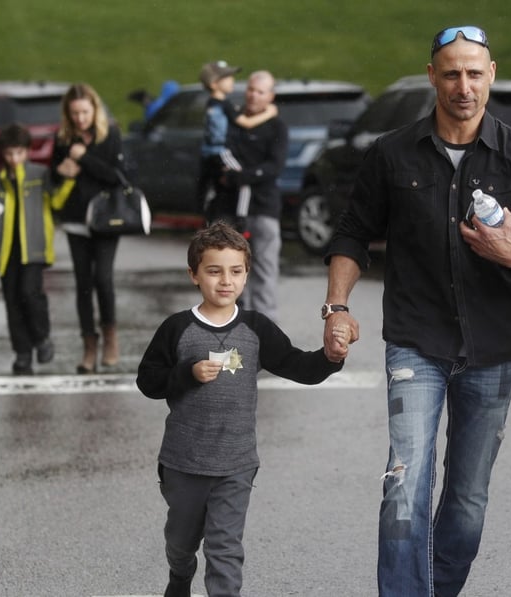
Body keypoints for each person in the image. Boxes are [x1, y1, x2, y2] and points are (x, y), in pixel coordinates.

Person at [320, 25, 511, 596]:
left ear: (491, 76)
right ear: (433, 76)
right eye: (451, 73)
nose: (463, 86)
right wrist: (336, 306)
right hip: (417, 342)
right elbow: (351, 234)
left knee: (465, 500)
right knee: (405, 481)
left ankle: (434, 589)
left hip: (494, 349)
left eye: (474, 73)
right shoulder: (391, 154)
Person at [136, 220, 348, 597]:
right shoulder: (177, 328)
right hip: (183, 463)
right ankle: (180, 576)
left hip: (235, 464)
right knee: (181, 543)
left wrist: (331, 357)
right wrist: (187, 373)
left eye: (235, 271)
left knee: (225, 548)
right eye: (213, 271)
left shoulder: (256, 328)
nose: (225, 281)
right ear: (194, 275)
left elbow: (297, 366)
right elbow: (148, 382)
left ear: (247, 275)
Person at [0, 124, 74, 375]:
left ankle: (42, 339)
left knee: (30, 294)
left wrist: (68, 181)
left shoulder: (39, 175)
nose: (14, 159)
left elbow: (56, 201)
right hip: (6, 254)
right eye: (9, 154)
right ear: (3, 154)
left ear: (27, 152)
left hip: (34, 250)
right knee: (13, 303)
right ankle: (22, 353)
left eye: (19, 153)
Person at [50, 82, 126, 374]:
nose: (80, 118)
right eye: (75, 113)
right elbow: (52, 176)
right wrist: (60, 171)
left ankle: (110, 338)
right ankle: (88, 348)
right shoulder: (63, 138)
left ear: (95, 108)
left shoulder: (110, 134)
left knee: (103, 279)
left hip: (106, 220)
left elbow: (116, 177)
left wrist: (83, 158)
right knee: (83, 284)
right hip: (75, 219)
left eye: (84, 111)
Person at [223, 70, 288, 322]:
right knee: (231, 274)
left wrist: (246, 174)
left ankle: (266, 334)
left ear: (270, 96)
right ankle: (232, 329)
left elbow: (274, 166)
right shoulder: (234, 123)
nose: (253, 95)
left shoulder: (277, 126)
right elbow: (224, 156)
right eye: (250, 89)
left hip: (264, 208)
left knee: (264, 272)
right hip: (232, 207)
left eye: (260, 91)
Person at [198, 61, 277, 219]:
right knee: (242, 179)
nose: (232, 80)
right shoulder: (225, 105)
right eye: (227, 77)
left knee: (214, 184)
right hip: (221, 151)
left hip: (208, 153)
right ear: (214, 84)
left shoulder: (210, 103)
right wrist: (269, 113)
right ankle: (242, 217)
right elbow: (247, 123)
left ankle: (208, 213)